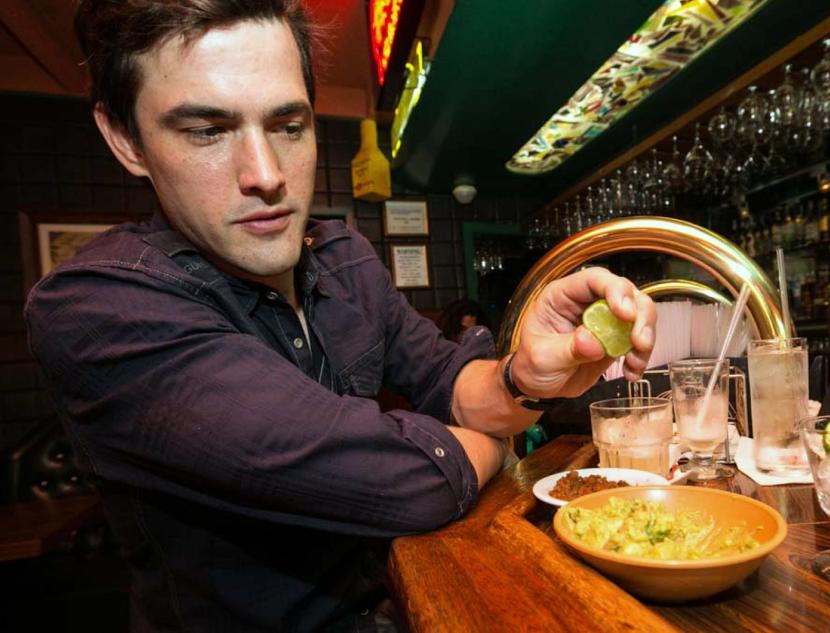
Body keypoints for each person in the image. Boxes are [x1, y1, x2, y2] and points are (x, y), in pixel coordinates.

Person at [24, 1, 658, 631]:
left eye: (288, 125)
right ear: (126, 139)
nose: (266, 175)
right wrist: (489, 438)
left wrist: (525, 375)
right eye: (206, 131)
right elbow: (413, 482)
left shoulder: (343, 257)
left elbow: (453, 386)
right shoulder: (98, 308)